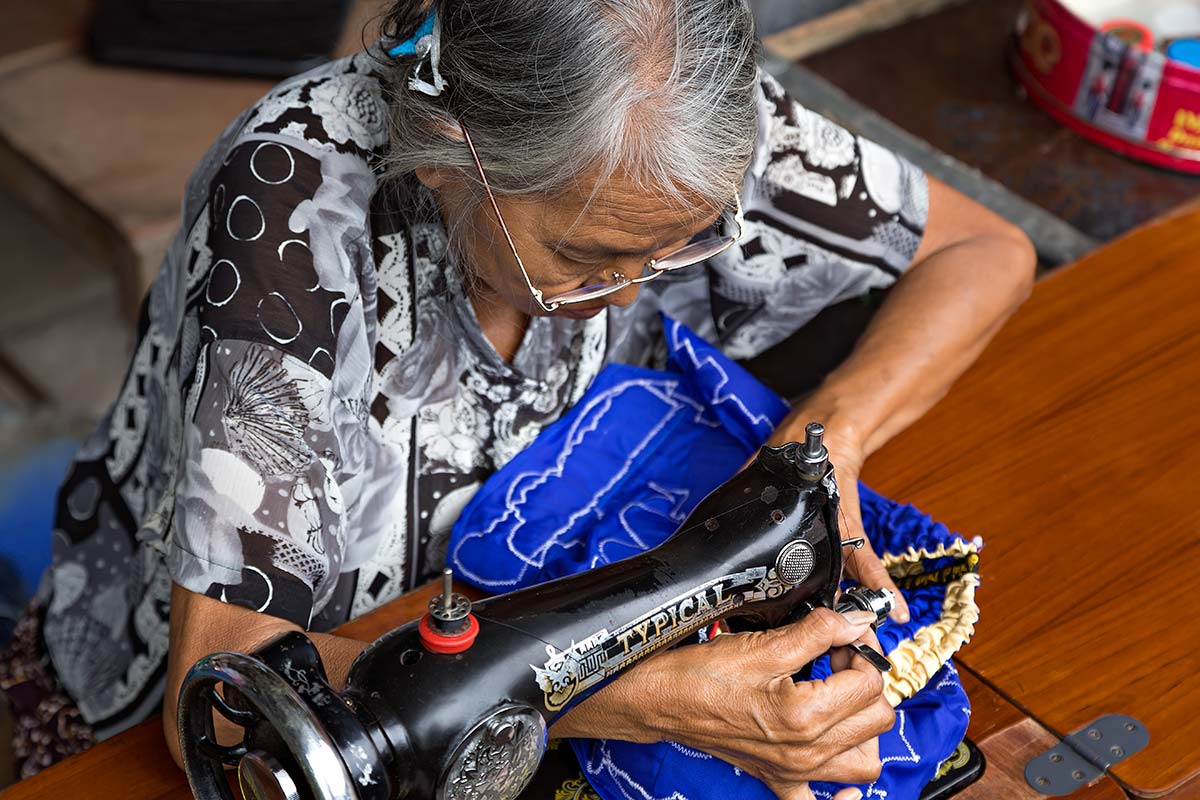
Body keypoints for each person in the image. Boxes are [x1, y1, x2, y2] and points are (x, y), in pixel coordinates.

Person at [0, 1, 1035, 797]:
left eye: (675, 250)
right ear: (451, 156)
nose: (631, 293)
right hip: (196, 732)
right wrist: (622, 699)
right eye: (588, 259)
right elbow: (221, 695)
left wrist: (818, 447)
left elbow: (983, 250)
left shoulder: (671, 120)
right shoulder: (292, 207)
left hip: (519, 613)